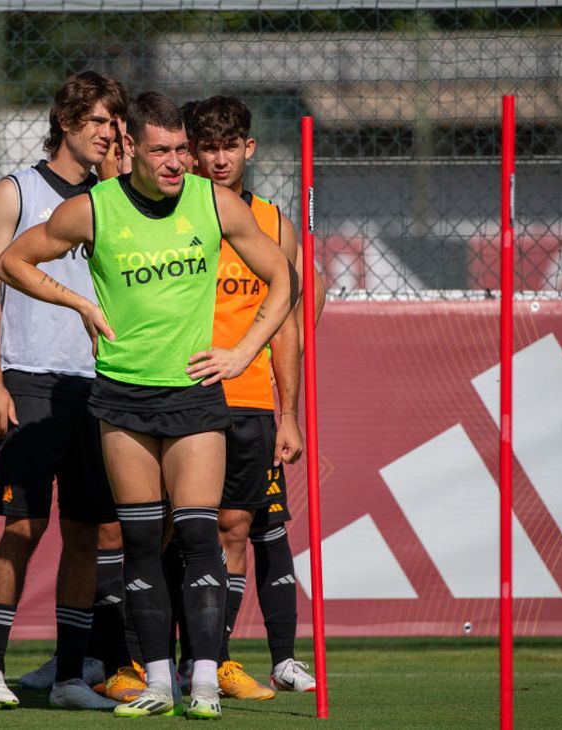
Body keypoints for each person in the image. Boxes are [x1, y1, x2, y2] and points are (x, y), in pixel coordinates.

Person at [0, 91, 298, 720]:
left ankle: (205, 684)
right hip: (122, 399)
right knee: (138, 543)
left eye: (183, 149)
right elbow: (12, 261)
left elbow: (284, 277)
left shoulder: (213, 203)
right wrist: (78, 302)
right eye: (162, 150)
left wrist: (242, 353)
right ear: (130, 146)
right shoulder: (94, 210)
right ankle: (158, 682)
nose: (177, 162)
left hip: (195, 396)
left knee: (198, 538)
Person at [0, 70, 132, 711]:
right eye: (97, 122)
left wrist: (118, 184)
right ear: (66, 122)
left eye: (116, 125)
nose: (108, 135)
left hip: (100, 386)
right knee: (23, 526)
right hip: (30, 379)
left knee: (91, 534)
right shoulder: (18, 191)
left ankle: (68, 678)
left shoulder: (111, 199)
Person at [185, 95, 325, 698]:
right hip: (180, 392)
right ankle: (155, 660)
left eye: (229, 146)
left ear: (249, 149)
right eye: (206, 147)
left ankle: (216, 662)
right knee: (171, 531)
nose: (218, 159)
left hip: (249, 399)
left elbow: (293, 316)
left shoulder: (273, 222)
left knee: (239, 527)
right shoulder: (173, 212)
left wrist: (287, 412)